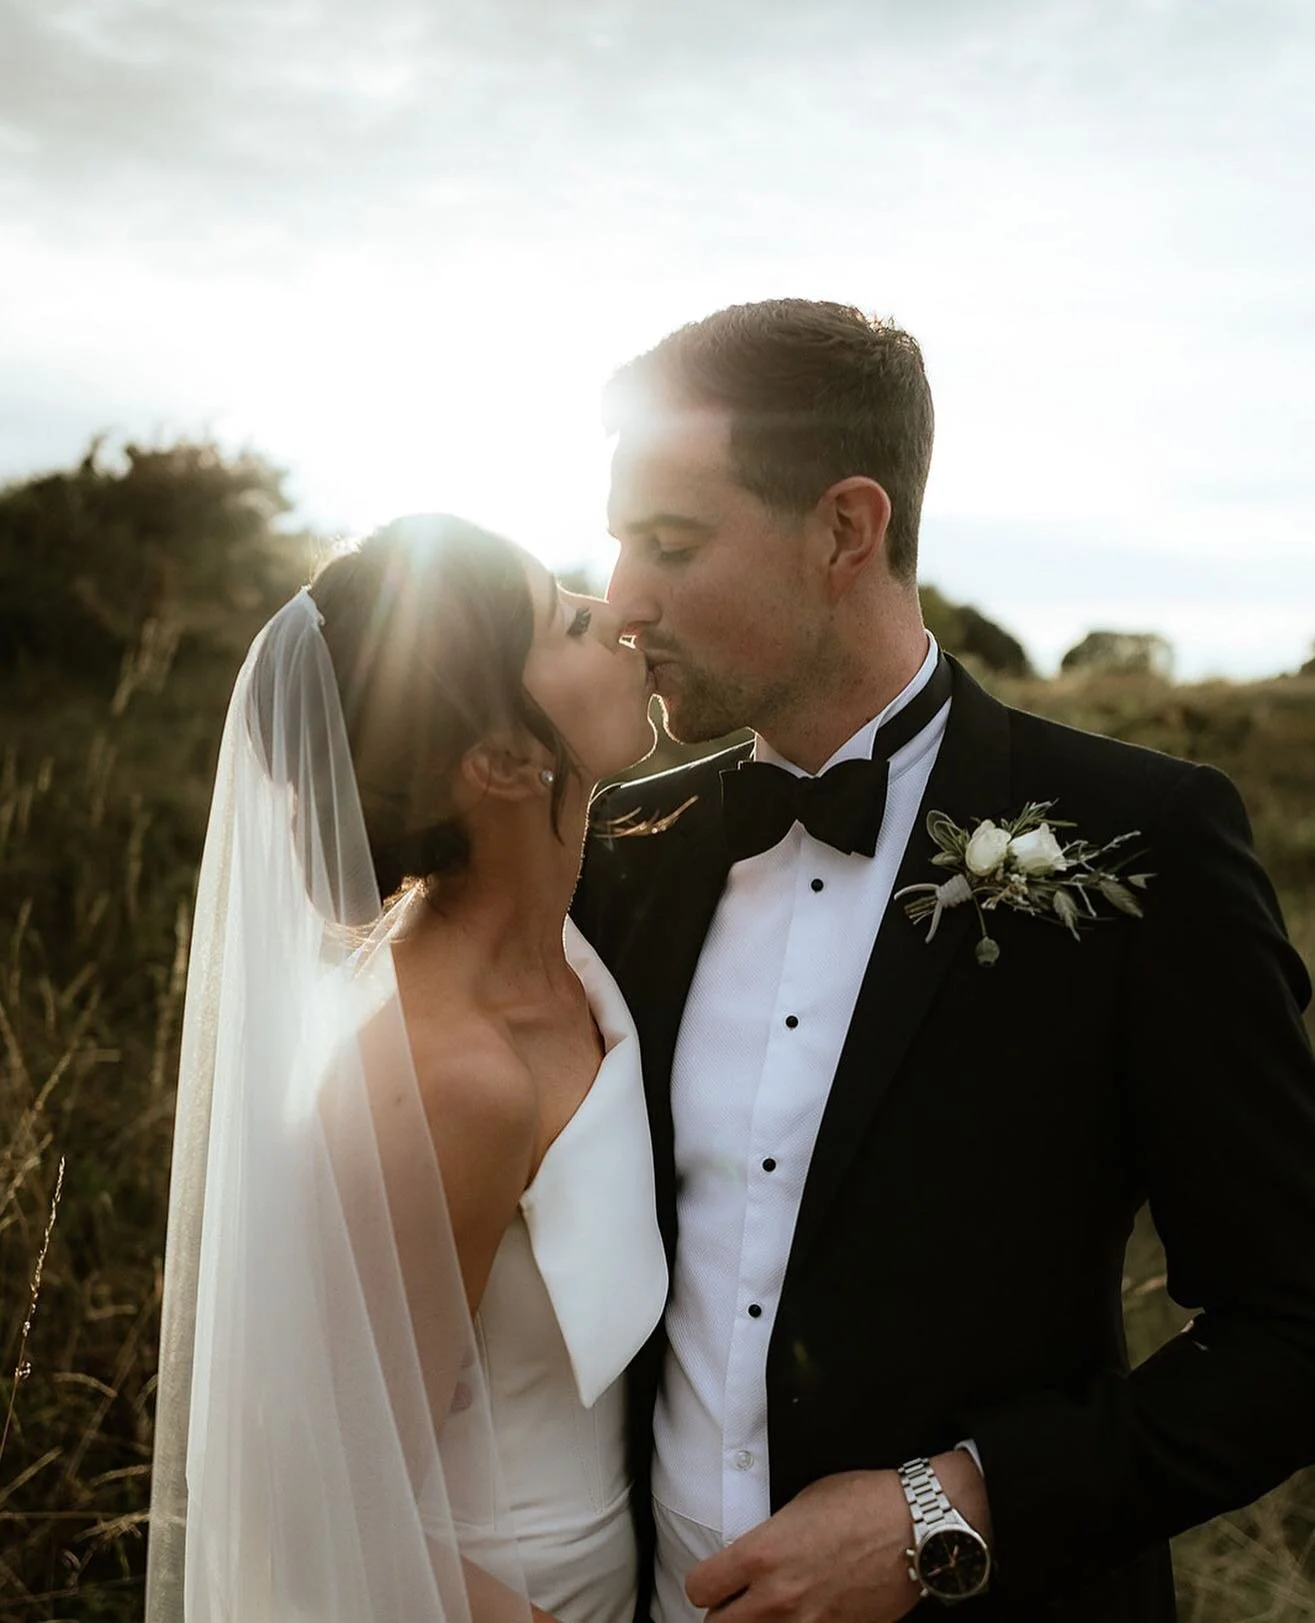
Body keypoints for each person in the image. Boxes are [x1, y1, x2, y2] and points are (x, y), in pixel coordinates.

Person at [573, 299, 1315, 1621]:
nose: (622, 597)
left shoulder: (1139, 840)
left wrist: (948, 1506)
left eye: (669, 543)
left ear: (844, 530)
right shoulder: (611, 846)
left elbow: (1292, 1325)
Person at [146, 515, 668, 1622]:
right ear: (498, 760)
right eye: (569, 622)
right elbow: (317, 1503)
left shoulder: (572, 960)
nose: (619, 614)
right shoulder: (450, 1076)